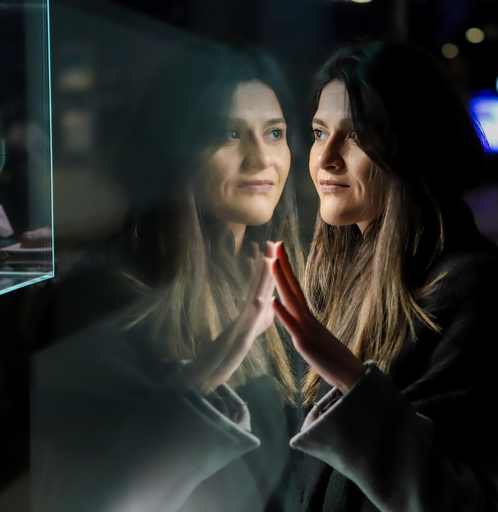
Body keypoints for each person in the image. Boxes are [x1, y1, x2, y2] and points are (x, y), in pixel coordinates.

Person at [269, 41, 498, 512]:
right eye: (320, 132)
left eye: (358, 135)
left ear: (412, 146)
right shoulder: (344, 272)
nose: (326, 158)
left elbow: (467, 503)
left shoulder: (478, 291)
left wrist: (342, 370)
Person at [31, 43, 304, 512]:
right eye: (228, 133)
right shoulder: (107, 303)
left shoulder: (276, 283)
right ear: (172, 149)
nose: (262, 158)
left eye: (274, 132)